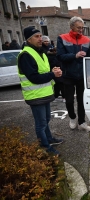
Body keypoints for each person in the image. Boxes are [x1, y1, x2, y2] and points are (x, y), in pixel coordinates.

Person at [17, 26, 63, 155]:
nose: (40, 38)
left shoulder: (40, 52)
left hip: (45, 93)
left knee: (46, 119)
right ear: (29, 39)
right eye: (36, 36)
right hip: (35, 95)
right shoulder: (26, 55)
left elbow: (43, 72)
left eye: (40, 36)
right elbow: (34, 78)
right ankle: (45, 146)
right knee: (41, 123)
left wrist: (53, 71)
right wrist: (52, 75)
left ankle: (49, 139)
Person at [56, 16, 90, 132]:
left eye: (82, 28)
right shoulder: (62, 38)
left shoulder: (87, 40)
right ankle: (72, 117)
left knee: (82, 101)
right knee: (69, 101)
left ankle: (82, 122)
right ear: (71, 26)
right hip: (68, 75)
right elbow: (60, 56)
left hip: (81, 75)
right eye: (78, 27)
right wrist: (75, 56)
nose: (81, 30)